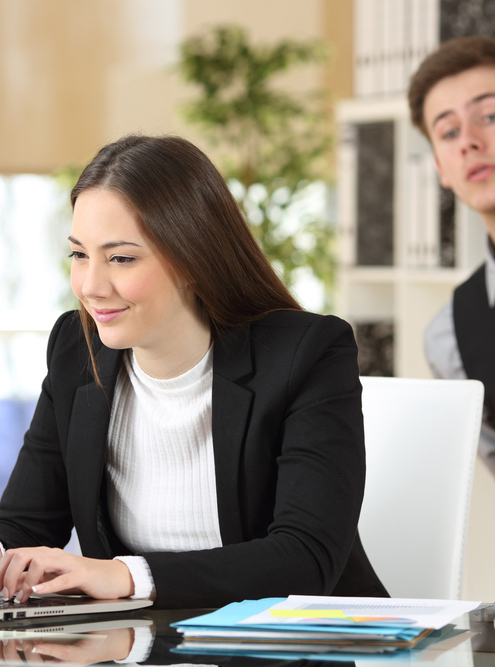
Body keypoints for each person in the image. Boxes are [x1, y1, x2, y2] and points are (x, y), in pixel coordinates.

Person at [0, 135, 387, 610]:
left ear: (192, 258)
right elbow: (24, 525)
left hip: (283, 651)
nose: (91, 286)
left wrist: (125, 575)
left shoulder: (306, 353)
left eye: (121, 258)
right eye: (79, 254)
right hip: (136, 650)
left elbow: (305, 557)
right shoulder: (75, 349)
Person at [408, 36, 495, 476]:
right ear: (442, 168)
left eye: (490, 115)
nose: (470, 142)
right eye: (449, 132)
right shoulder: (450, 337)